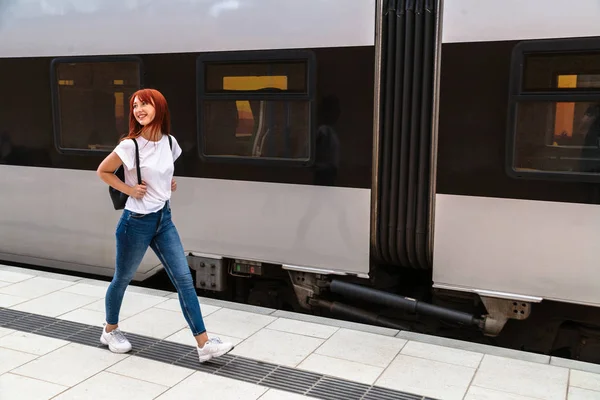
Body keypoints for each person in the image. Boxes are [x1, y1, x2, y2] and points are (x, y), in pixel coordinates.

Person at [96, 88, 233, 363]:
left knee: (184, 279)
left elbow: (165, 172)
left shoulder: (170, 142)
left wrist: (168, 184)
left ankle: (203, 344)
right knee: (122, 279)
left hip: (164, 219)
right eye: (135, 106)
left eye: (144, 104)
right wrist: (130, 189)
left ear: (159, 107)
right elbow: (103, 171)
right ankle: (110, 330)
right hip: (135, 223)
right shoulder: (130, 145)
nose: (139, 110)